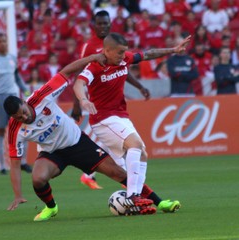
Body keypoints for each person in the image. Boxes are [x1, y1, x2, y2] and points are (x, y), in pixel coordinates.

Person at [3, 53, 157, 221]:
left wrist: (92, 58)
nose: (24, 118)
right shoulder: (14, 129)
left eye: (24, 113)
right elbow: (15, 164)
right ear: (12, 118)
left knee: (117, 172)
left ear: (24, 102)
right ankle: (51, 208)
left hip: (77, 142)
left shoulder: (42, 96)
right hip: (53, 153)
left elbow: (66, 71)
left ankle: (158, 201)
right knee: (38, 179)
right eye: (19, 117)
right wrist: (17, 195)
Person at [73, 33, 190, 212]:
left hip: (120, 116)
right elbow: (78, 84)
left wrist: (173, 50)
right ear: (107, 51)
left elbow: (149, 54)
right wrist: (83, 100)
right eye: (119, 53)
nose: (123, 56)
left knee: (142, 153)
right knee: (134, 145)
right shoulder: (95, 66)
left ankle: (140, 198)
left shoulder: (124, 59)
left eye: (124, 52)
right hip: (103, 119)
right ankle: (132, 196)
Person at [72, 10, 150, 190]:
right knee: (119, 142)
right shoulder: (90, 46)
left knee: (119, 144)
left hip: (116, 109)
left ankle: (93, 175)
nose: (103, 26)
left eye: (106, 23)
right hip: (97, 105)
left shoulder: (117, 45)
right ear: (94, 25)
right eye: (100, 24)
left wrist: (139, 86)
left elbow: (123, 67)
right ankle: (132, 191)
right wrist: (78, 103)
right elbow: (80, 73)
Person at [0, 33, 32, 175]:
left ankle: (23, 162)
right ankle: (1, 165)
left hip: (13, 96)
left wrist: (26, 91)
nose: (2, 43)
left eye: (4, 41)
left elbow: (17, 77)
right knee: (0, 130)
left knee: (22, 127)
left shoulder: (12, 59)